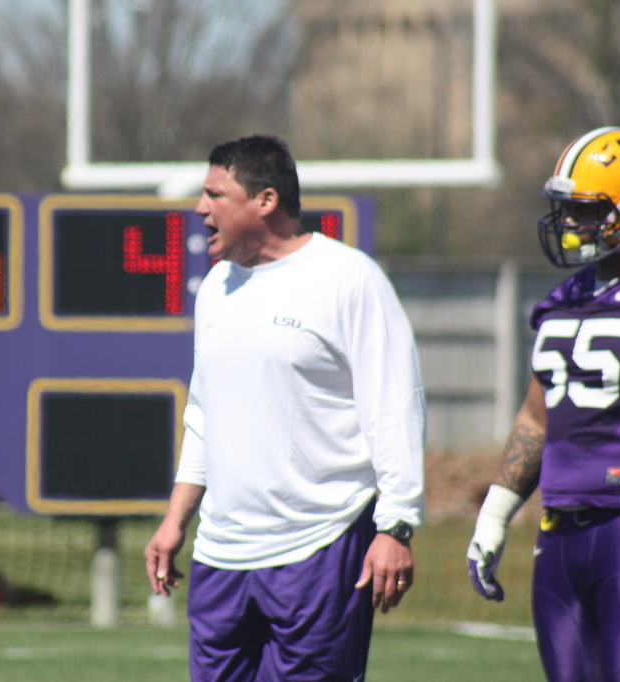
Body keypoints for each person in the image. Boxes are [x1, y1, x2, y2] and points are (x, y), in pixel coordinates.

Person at [144, 135, 425, 681]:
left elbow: (395, 409)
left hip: (319, 545)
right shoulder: (216, 288)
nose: (200, 209)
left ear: (265, 201)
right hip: (221, 554)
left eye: (215, 195)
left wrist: (396, 526)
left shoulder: (349, 279)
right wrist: (177, 518)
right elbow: (205, 414)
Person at [467, 126, 620, 681]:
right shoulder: (561, 302)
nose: (568, 224)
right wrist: (496, 513)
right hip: (561, 528)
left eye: (583, 210)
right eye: (565, 209)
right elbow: (534, 416)